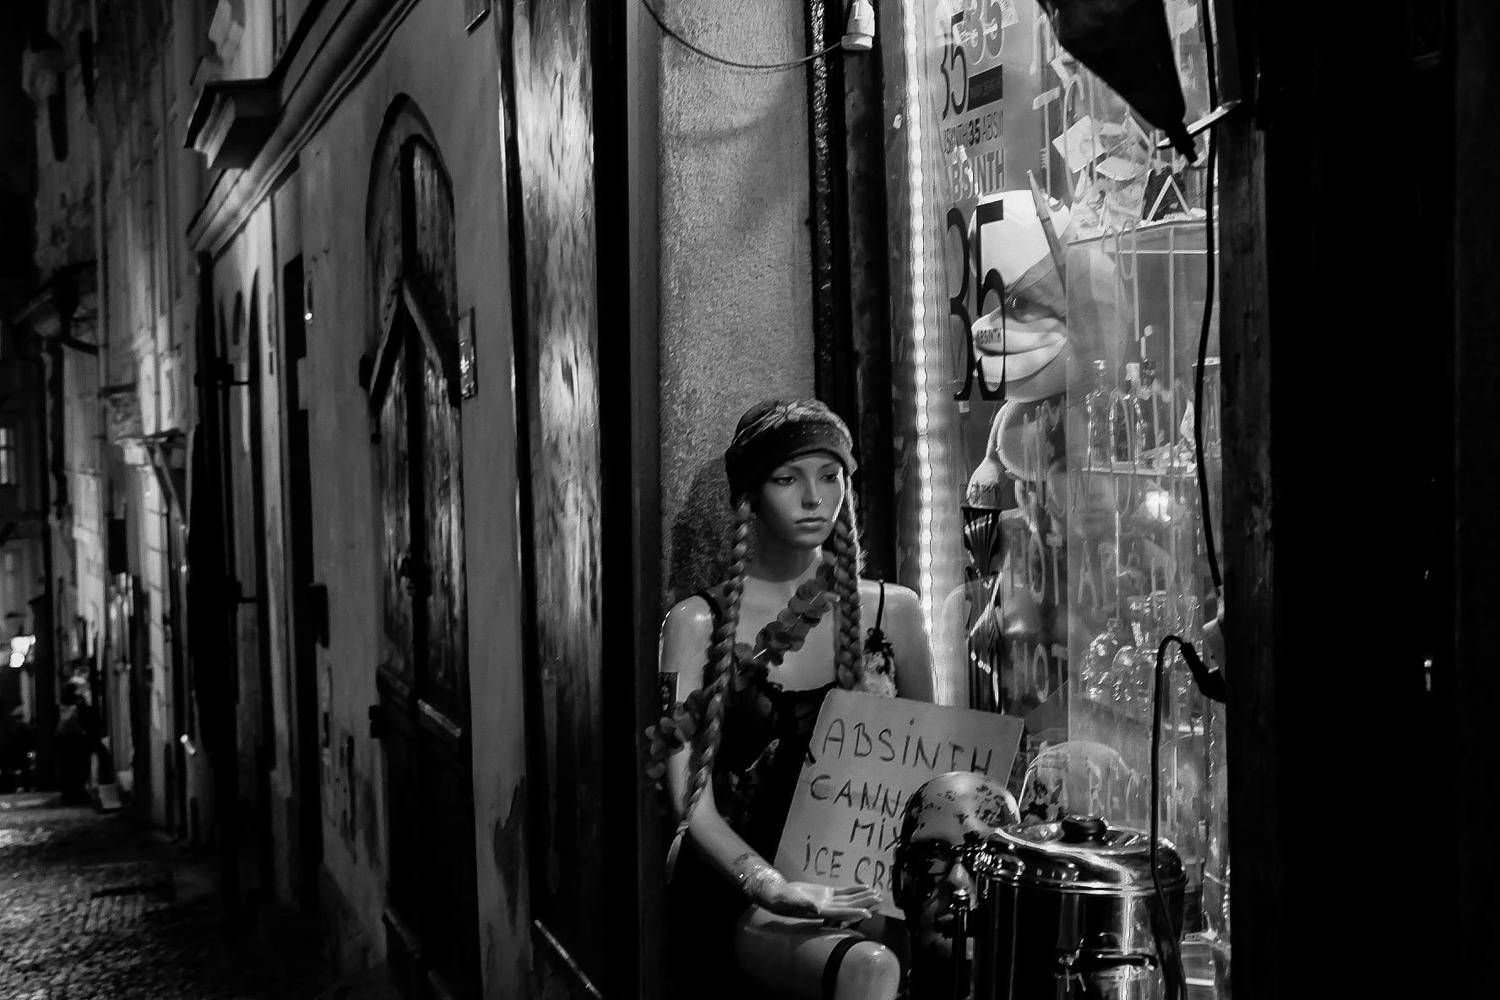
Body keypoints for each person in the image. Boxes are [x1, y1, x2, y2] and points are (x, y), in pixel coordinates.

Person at [653, 399, 935, 1000]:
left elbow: (928, 774)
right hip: (740, 886)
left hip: (865, 877)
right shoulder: (698, 622)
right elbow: (689, 800)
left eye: (830, 476)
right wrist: (768, 883)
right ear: (751, 495)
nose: (814, 498)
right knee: (869, 968)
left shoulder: (896, 613)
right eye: (787, 479)